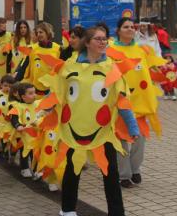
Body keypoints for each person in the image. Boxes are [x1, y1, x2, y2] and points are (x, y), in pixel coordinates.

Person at [38, 26, 139, 216]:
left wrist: (132, 126)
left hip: (102, 132)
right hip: (74, 129)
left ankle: (117, 212)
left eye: (105, 39)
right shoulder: (71, 64)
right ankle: (67, 210)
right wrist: (47, 106)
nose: (103, 42)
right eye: (98, 39)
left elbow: (122, 99)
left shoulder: (111, 67)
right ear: (87, 42)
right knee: (72, 170)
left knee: (110, 173)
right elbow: (57, 89)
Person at [110, 17, 166, 189]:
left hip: (140, 104)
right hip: (120, 102)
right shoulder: (111, 50)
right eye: (125, 27)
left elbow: (150, 73)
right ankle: (124, 174)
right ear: (118, 30)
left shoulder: (142, 50)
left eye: (131, 27)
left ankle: (135, 169)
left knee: (139, 140)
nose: (130, 29)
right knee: (122, 139)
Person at [15, 22, 61, 97]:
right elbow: (22, 67)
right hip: (35, 92)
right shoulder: (31, 48)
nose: (38, 34)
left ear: (48, 33)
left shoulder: (58, 49)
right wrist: (14, 81)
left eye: (41, 32)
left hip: (51, 91)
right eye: (37, 33)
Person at [9, 82, 38, 178]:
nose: (34, 95)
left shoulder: (37, 104)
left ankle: (36, 169)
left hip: (36, 133)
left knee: (35, 152)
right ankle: (24, 168)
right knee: (25, 150)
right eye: (30, 93)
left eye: (34, 92)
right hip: (25, 134)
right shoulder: (18, 106)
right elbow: (14, 118)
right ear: (23, 97)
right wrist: (18, 126)